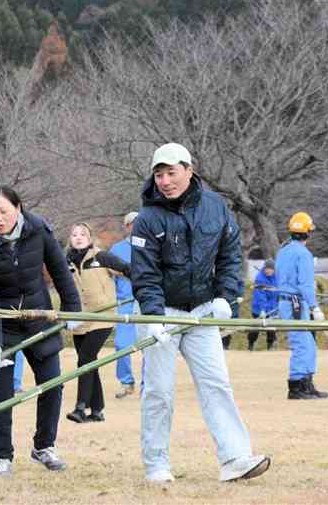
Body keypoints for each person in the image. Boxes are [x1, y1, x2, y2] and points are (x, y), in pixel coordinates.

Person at [131, 142, 270, 483]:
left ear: (189, 171)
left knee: (216, 384)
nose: (165, 180)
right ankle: (157, 464)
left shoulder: (215, 207)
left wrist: (227, 297)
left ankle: (235, 458)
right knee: (159, 391)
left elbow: (229, 256)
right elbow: (144, 274)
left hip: (203, 311)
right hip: (161, 312)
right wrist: (153, 317)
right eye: (159, 174)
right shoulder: (147, 218)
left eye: (171, 172)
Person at [0, 186, 82, 477]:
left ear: (18, 209)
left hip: (38, 316)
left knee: (52, 384)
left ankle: (44, 446)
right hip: (3, 321)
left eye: (3, 211)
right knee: (1, 393)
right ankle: (1, 456)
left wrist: (72, 309)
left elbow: (59, 270)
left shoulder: (38, 229)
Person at [65, 222, 130, 423]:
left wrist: (144, 290)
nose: (78, 237)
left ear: (90, 237)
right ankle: (98, 410)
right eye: (74, 234)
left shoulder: (101, 257)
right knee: (89, 362)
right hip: (79, 319)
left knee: (85, 359)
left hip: (102, 317)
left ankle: (80, 407)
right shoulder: (66, 261)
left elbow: (128, 269)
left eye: (82, 234)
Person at [275, 212, 328, 400]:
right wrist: (315, 307)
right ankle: (296, 386)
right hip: (296, 304)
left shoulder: (283, 251)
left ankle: (307, 383)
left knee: (308, 344)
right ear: (307, 234)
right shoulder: (304, 254)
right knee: (301, 344)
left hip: (287, 302)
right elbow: (305, 284)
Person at [109, 211, 139, 399]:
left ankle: (148, 383)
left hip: (147, 302)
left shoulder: (153, 246)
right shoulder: (116, 249)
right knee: (121, 344)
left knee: (151, 345)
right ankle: (126, 382)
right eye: (133, 223)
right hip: (124, 303)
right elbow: (109, 278)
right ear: (127, 227)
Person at [248, 259, 278, 351]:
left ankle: (270, 346)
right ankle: (251, 344)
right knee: (256, 327)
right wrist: (262, 310)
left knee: (271, 328)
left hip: (272, 308)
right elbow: (260, 296)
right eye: (266, 268)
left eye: (270, 269)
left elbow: (278, 293)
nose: (268, 271)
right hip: (259, 308)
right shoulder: (260, 278)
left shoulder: (277, 278)